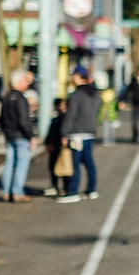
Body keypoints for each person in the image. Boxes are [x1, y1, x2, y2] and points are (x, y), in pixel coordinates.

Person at [57, 65, 101, 204]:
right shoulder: (94, 94)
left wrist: (64, 133)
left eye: (74, 75)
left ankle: (73, 191)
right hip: (89, 133)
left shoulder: (76, 95)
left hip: (76, 134)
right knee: (89, 163)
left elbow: (71, 116)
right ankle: (91, 189)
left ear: (78, 77)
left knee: (74, 163)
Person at [0, 69, 36, 203]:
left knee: (9, 164)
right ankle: (17, 191)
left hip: (9, 135)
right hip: (20, 136)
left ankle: (6, 191)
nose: (27, 83)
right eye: (25, 80)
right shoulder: (21, 99)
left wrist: (6, 131)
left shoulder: (7, 97)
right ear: (19, 81)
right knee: (21, 164)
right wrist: (31, 136)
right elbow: (23, 120)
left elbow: (1, 118)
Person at [43, 98, 69, 197]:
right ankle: (54, 185)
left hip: (61, 146)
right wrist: (48, 143)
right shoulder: (55, 118)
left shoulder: (66, 119)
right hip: (54, 146)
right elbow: (50, 132)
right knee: (53, 166)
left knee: (64, 167)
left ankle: (66, 187)